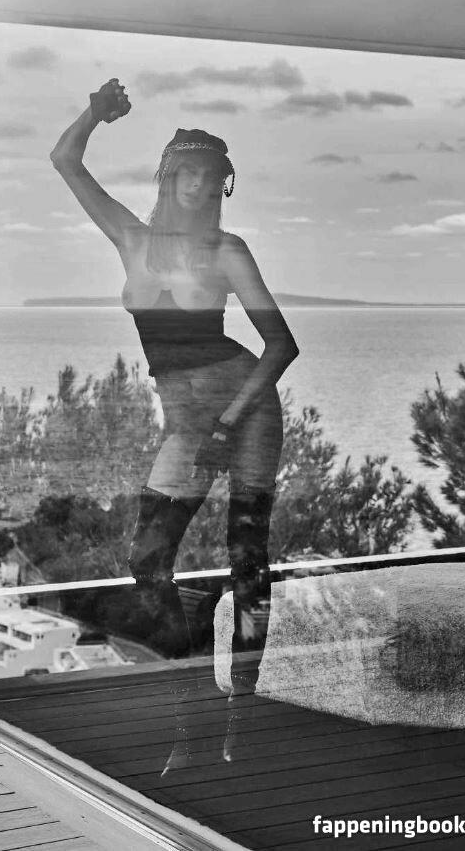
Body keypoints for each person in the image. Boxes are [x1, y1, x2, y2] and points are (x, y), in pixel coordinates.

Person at [51, 78, 299, 764]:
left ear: (222, 184)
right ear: (167, 176)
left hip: (245, 410)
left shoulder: (227, 250)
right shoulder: (131, 236)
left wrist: (227, 424)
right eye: (187, 170)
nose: (198, 183)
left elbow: (281, 344)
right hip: (185, 425)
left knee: (248, 562)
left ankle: (240, 724)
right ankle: (189, 714)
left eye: (210, 174)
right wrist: (94, 112)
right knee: (147, 560)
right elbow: (65, 161)